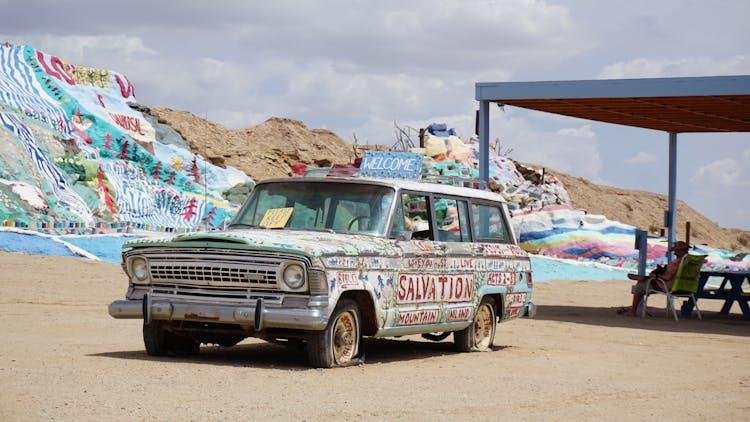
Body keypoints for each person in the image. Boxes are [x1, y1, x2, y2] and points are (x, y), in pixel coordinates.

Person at [619, 241, 690, 316]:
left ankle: (633, 311)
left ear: (679, 251)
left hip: (667, 285)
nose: (674, 253)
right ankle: (644, 278)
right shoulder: (689, 261)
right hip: (684, 286)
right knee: (646, 280)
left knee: (639, 286)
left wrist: (656, 276)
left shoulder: (677, 263)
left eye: (675, 251)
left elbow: (667, 277)